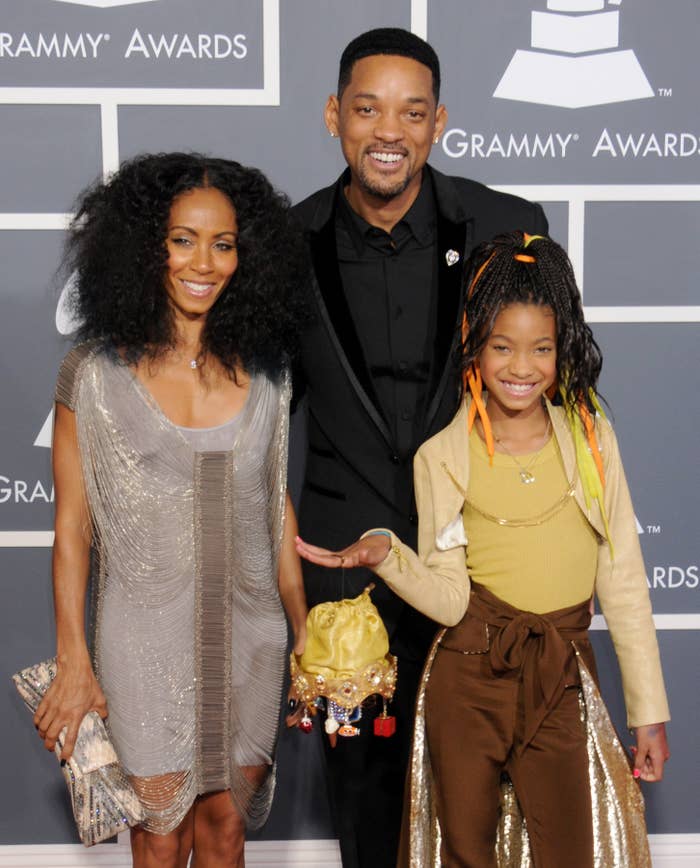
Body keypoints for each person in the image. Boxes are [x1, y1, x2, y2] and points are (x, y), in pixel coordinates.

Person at [296, 231, 670, 868]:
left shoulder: (589, 437)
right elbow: (447, 596)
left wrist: (648, 712)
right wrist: (387, 552)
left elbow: (625, 579)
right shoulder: (442, 455)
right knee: (463, 848)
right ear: (474, 342)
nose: (520, 368)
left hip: (559, 671)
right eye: (502, 347)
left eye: (540, 349)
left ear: (563, 349)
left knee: (566, 849)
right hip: (467, 675)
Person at [291, 27, 548, 868]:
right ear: (335, 115)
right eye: (367, 109)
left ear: (439, 122)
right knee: (365, 808)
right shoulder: (284, 245)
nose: (387, 131)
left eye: (410, 111)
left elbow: (559, 395)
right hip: (347, 578)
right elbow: (246, 413)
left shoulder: (508, 227)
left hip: (481, 572)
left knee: (482, 807)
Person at [33, 153, 309, 868]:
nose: (204, 262)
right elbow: (72, 531)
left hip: (252, 637)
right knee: (159, 839)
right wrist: (74, 660)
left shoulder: (268, 373)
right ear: (145, 246)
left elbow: (274, 512)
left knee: (226, 833)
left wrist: (304, 627)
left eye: (223, 244)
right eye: (183, 239)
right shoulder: (93, 375)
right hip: (142, 639)